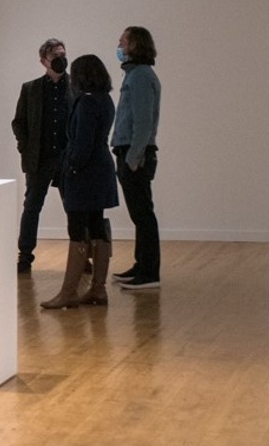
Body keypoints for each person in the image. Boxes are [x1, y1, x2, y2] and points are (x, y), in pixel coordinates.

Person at [41, 55, 119, 310]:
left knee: (77, 229)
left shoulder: (85, 103)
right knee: (96, 225)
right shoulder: (104, 99)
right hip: (101, 169)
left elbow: (81, 144)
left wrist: (70, 167)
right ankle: (98, 288)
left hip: (84, 173)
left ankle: (69, 292)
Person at [11, 38, 72, 274]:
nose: (60, 60)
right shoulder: (31, 89)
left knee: (74, 208)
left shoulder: (74, 86)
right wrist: (25, 148)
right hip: (39, 158)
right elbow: (19, 122)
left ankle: (82, 256)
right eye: (55, 56)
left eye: (62, 54)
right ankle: (25, 255)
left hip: (68, 158)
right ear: (43, 61)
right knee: (32, 206)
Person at [111, 26, 162, 290]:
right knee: (140, 215)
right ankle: (141, 266)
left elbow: (143, 122)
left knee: (143, 215)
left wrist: (133, 157)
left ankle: (149, 272)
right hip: (131, 152)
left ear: (134, 46)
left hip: (135, 154)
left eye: (122, 42)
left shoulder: (140, 77)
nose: (118, 46)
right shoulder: (136, 75)